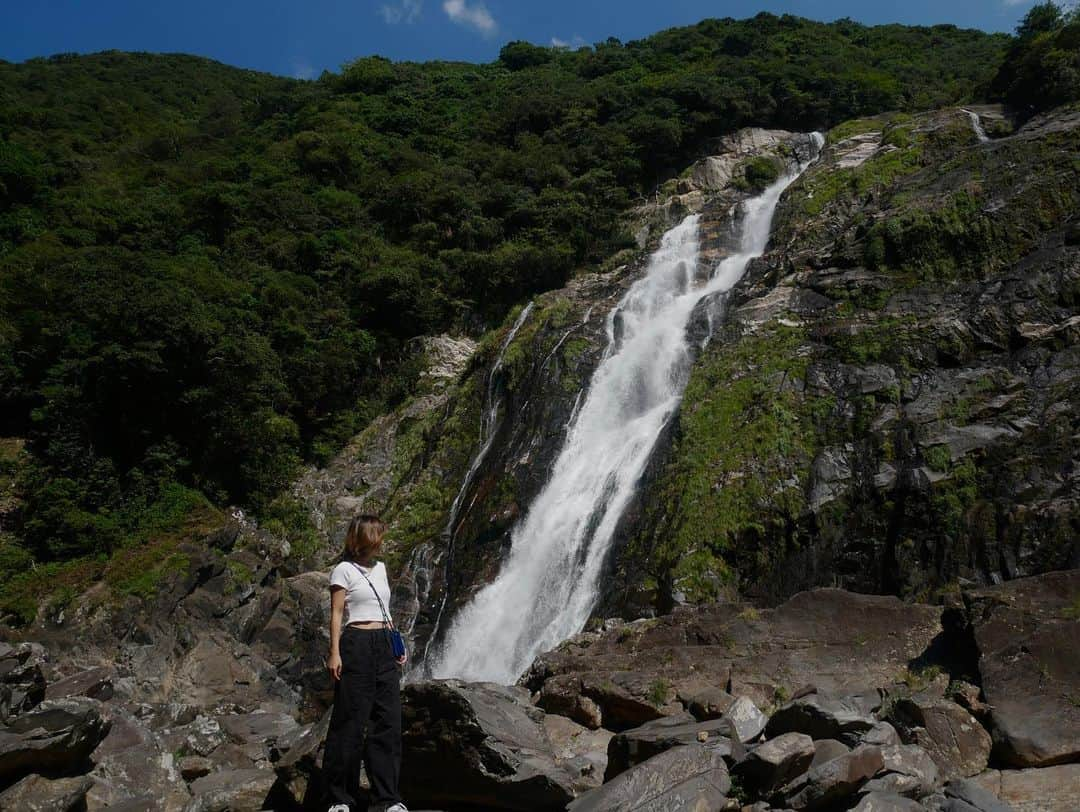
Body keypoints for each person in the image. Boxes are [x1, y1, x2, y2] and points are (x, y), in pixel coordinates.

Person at [324, 514, 408, 812]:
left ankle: (388, 799)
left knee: (387, 721)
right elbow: (336, 615)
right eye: (378, 535)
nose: (382, 540)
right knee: (349, 721)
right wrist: (335, 652)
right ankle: (339, 799)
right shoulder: (343, 571)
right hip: (356, 643)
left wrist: (397, 643)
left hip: (384, 643)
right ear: (367, 537)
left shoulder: (382, 568)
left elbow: (385, 609)